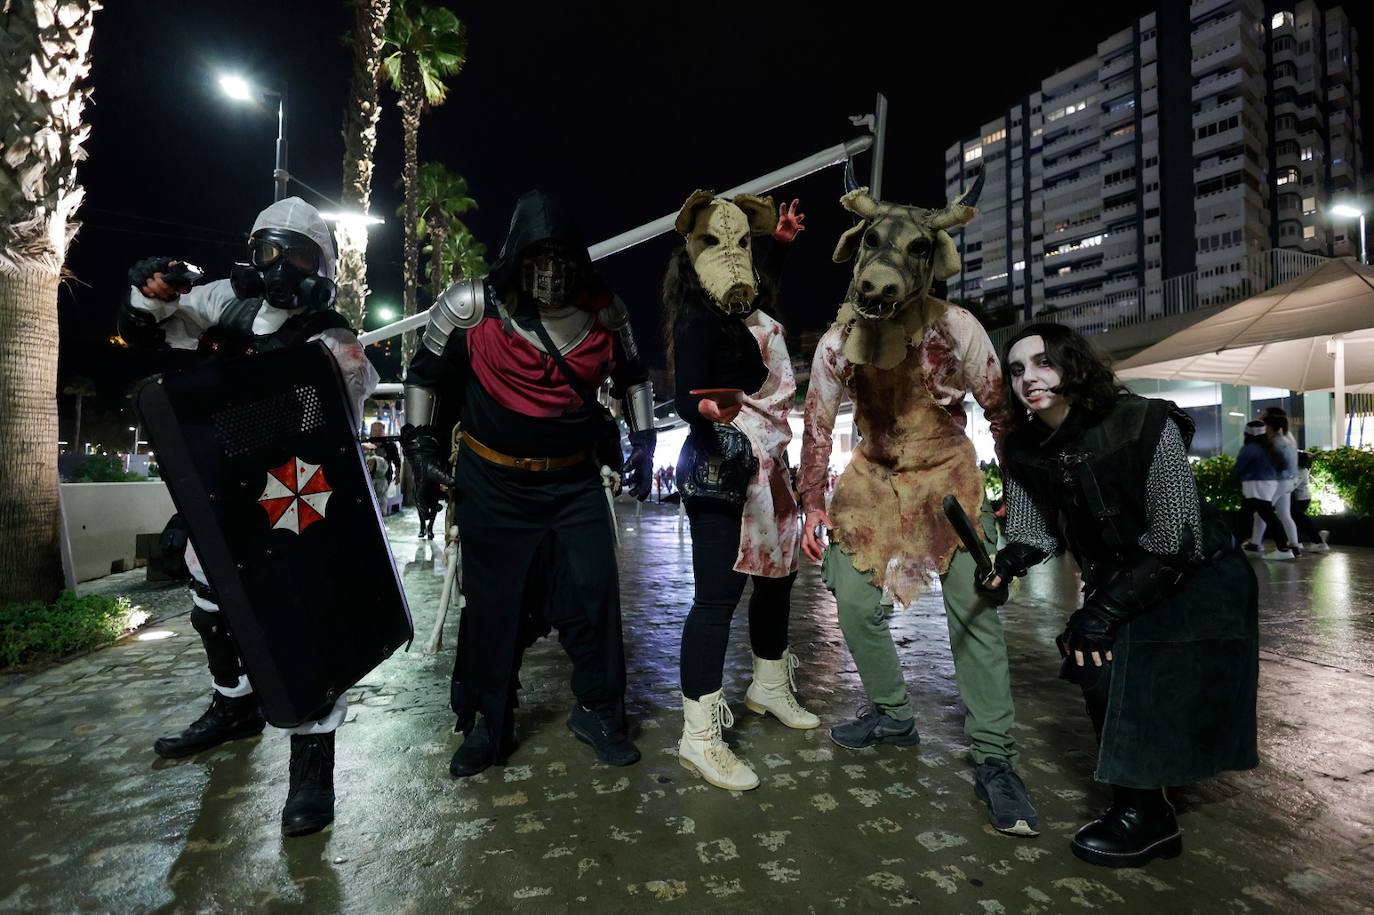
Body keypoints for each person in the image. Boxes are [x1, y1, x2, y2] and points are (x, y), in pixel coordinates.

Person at [119, 197, 380, 837]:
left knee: (304, 617)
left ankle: (312, 771)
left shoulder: (333, 335)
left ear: (318, 264)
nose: (282, 267)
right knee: (210, 598)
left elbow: (348, 404)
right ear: (255, 250)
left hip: (295, 490)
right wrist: (156, 288)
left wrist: (332, 361)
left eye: (297, 256)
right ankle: (232, 704)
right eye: (272, 252)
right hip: (224, 483)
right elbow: (149, 330)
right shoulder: (223, 304)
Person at [798, 182, 1038, 837]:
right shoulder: (837, 342)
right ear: (858, 253)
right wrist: (812, 504)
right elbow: (817, 425)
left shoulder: (957, 328)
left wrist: (1019, 501)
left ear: (930, 262)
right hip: (873, 477)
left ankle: (995, 758)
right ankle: (893, 713)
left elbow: (1000, 410)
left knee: (977, 611)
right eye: (875, 244)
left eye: (907, 251)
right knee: (850, 597)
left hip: (946, 479)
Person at [401, 190, 656, 778]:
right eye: (538, 253)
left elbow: (633, 377)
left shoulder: (605, 312)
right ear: (516, 252)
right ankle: (489, 721)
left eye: (561, 253)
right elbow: (425, 375)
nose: (550, 268)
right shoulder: (471, 305)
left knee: (595, 595)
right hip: (493, 483)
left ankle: (599, 711)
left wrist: (642, 442)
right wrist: (420, 447)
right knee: (493, 606)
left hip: (573, 483)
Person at [988, 323, 1259, 868]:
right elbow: (1034, 529)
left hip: (1198, 576)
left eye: (1043, 362)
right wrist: (1009, 561)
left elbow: (1175, 537)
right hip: (1121, 575)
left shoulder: (1142, 420)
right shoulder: (1021, 447)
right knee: (1094, 657)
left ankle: (1147, 815)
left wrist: (1102, 611)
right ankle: (1147, 797)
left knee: (1110, 654)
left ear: (1074, 364)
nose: (1029, 379)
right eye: (1017, 370)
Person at [666, 192, 816, 791]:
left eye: (742, 245)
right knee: (716, 598)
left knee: (778, 581)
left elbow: (760, 292)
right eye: (716, 243)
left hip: (768, 466)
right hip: (717, 472)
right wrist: (705, 410)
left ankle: (769, 685)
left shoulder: (748, 310)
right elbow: (683, 398)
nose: (733, 257)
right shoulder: (695, 316)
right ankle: (698, 737)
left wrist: (778, 245)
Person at [1236, 422, 1295, 561]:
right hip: (1268, 484)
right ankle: (1236, 546)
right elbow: (1284, 465)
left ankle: (1283, 549)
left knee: (1263, 516)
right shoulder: (1270, 447)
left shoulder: (1249, 448)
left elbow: (1239, 467)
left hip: (1254, 485)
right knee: (1254, 515)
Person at [1292, 450, 1329, 551]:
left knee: (1299, 519)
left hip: (1301, 499)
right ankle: (1298, 541)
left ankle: (1316, 537)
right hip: (1302, 498)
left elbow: (1293, 486)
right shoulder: (1301, 469)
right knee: (1297, 520)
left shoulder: (1301, 471)